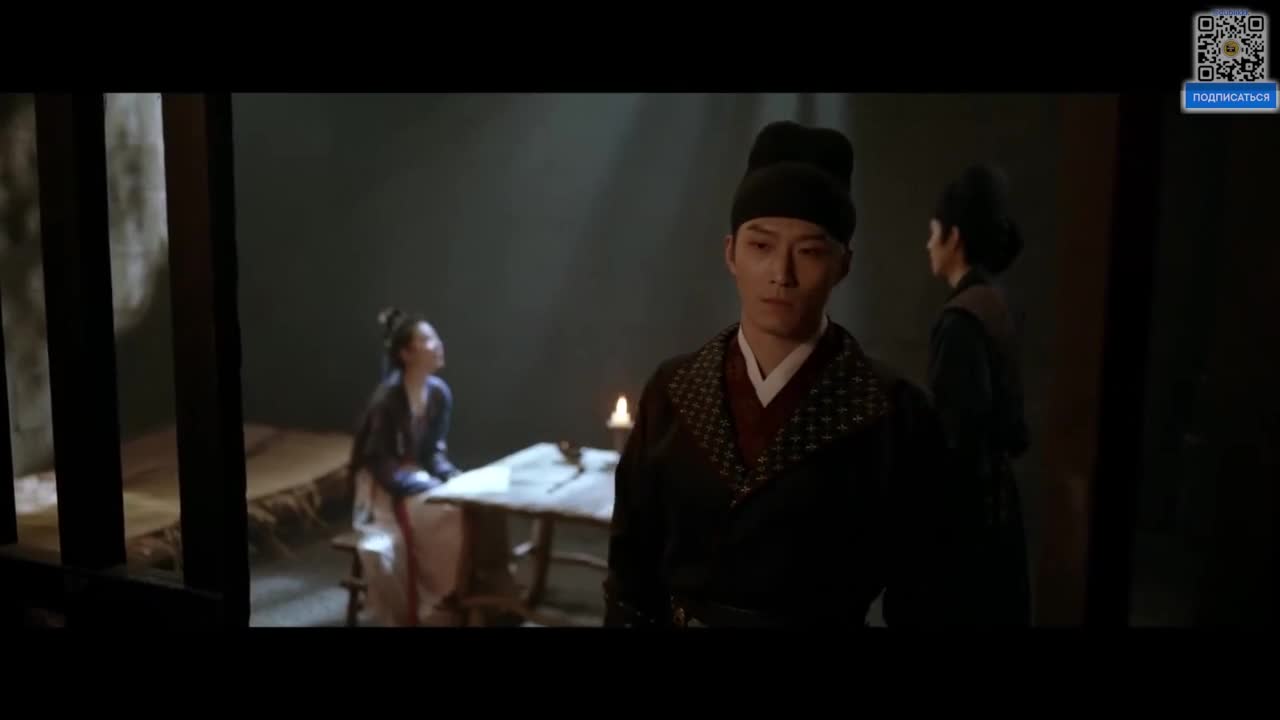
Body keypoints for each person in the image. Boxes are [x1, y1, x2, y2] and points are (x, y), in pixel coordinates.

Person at [603, 121, 961, 628]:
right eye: (761, 246)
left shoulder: (893, 410)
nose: (781, 274)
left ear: (843, 265)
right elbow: (630, 571)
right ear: (731, 253)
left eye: (809, 252)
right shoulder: (674, 388)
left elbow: (923, 593)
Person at [349, 308, 516, 626]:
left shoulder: (439, 393)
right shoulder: (387, 400)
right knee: (451, 514)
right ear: (406, 354)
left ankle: (490, 592)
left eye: (436, 338)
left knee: (483, 505)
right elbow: (381, 463)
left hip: (420, 479)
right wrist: (425, 485)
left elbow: (433, 453)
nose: (438, 345)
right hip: (386, 490)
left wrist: (452, 477)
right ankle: (443, 600)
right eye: (427, 340)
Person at [925, 163, 1033, 626]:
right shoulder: (992, 302)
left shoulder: (962, 320)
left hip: (971, 525)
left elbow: (958, 441)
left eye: (933, 232)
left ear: (954, 238)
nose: (928, 244)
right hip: (995, 510)